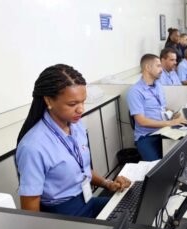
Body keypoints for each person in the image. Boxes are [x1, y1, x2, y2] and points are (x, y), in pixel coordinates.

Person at [16, 64, 131, 218]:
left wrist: (108, 184)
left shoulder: (75, 126)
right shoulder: (33, 147)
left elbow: (81, 170)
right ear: (49, 100)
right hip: (64, 214)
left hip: (87, 200)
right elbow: (30, 213)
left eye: (83, 102)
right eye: (72, 104)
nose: (81, 109)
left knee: (130, 209)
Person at [127, 54, 187, 161]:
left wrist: (174, 114)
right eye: (158, 66)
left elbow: (162, 107)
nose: (161, 69)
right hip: (147, 136)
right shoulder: (135, 91)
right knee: (156, 169)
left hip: (163, 131)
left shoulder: (158, 85)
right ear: (147, 67)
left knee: (181, 156)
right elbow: (142, 121)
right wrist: (170, 123)